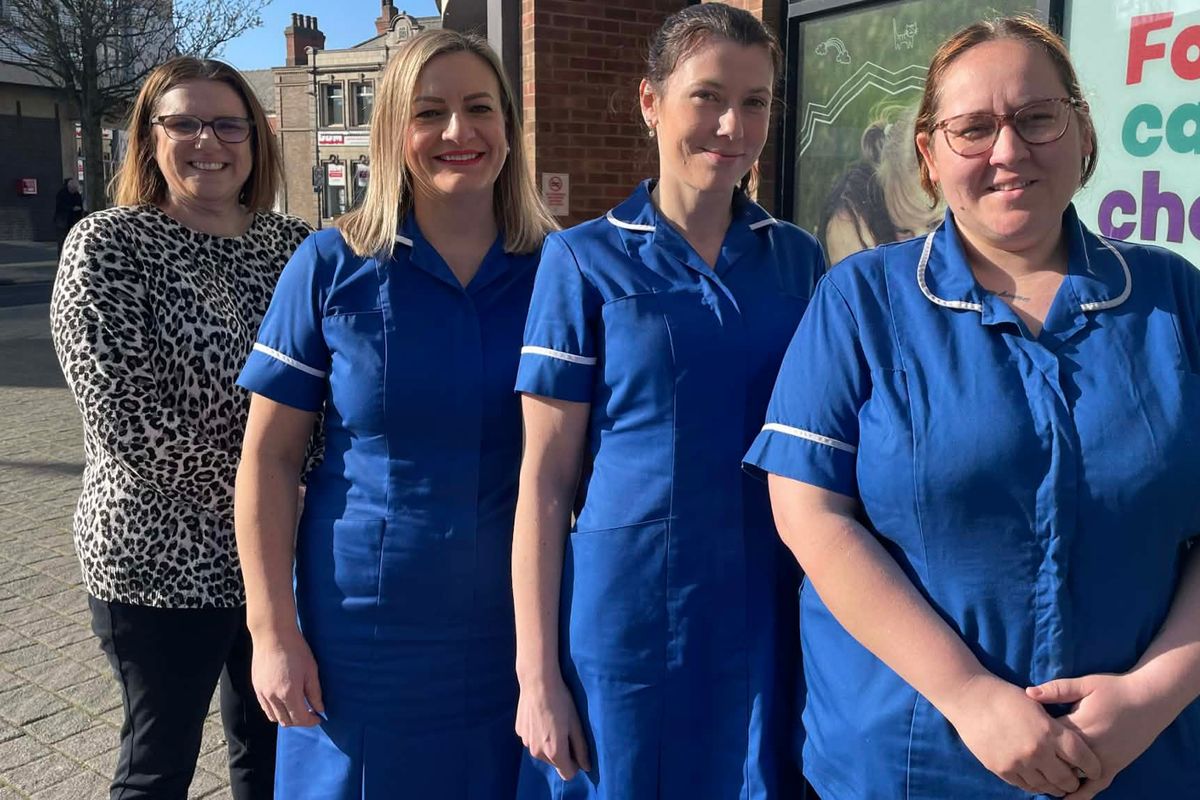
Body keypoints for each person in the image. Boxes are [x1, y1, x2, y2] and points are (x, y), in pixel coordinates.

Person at [746, 15, 1200, 800]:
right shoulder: (860, 301)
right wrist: (967, 695)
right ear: (929, 154)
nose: (1009, 150)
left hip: (1138, 760)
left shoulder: (1175, 299)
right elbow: (809, 512)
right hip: (912, 759)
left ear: (1083, 131)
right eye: (974, 128)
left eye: (1037, 117)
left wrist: (1154, 694)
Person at [512, 5, 825, 798]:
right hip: (628, 619)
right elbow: (544, 482)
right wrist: (537, 678)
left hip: (769, 603)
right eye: (708, 96)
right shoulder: (581, 261)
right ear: (650, 101)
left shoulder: (799, 260)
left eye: (755, 102)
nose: (732, 126)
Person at [234, 29, 557, 798]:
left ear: (509, 126)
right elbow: (268, 459)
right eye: (429, 112)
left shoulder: (561, 271)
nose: (458, 131)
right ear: (391, 132)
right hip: (364, 630)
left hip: (520, 627)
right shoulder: (329, 265)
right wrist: (271, 632)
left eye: (479, 108)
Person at [50, 57, 312, 799]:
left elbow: (331, 389)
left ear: (256, 138)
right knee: (159, 762)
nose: (209, 142)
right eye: (185, 123)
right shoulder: (109, 244)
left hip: (279, 560)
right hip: (159, 561)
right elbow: (129, 422)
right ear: (148, 138)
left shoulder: (294, 246)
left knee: (275, 751)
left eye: (229, 124)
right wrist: (271, 495)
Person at [53, 177, 84, 256]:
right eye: (72, 189)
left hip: (73, 221)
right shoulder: (61, 194)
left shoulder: (77, 194)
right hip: (62, 221)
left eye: (75, 189)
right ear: (69, 187)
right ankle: (61, 257)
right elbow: (60, 206)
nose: (74, 191)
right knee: (62, 241)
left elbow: (80, 205)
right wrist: (72, 208)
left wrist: (80, 210)